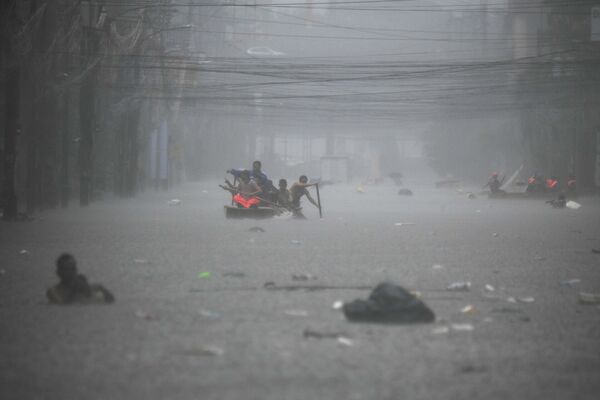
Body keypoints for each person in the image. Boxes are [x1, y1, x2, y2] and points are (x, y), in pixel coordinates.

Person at [47, 253, 114, 304]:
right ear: (58, 272)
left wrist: (86, 287)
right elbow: (64, 306)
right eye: (67, 269)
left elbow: (112, 301)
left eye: (73, 269)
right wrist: (75, 290)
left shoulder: (94, 287)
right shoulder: (53, 291)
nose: (71, 272)